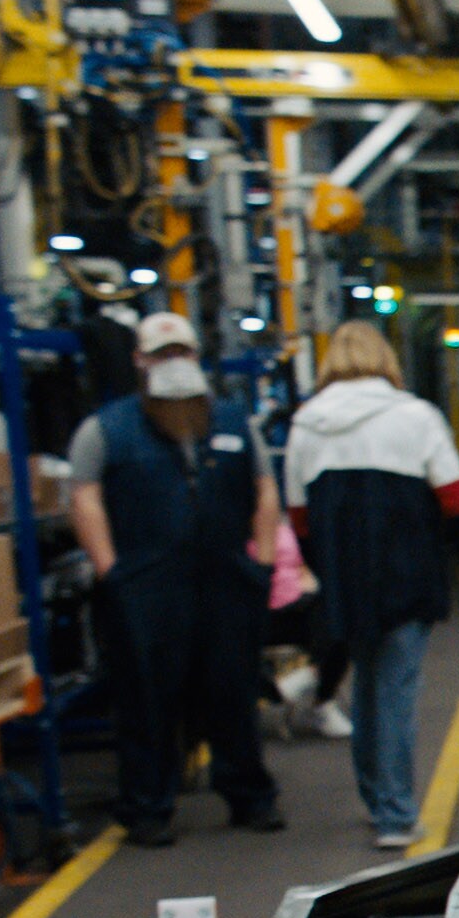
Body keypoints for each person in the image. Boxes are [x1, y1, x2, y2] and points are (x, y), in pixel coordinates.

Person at [69, 312, 284, 846]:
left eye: (182, 353)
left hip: (226, 581)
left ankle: (249, 797)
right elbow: (84, 496)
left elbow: (264, 491)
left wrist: (260, 561)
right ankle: (147, 808)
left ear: (197, 357)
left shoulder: (233, 421)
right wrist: (110, 570)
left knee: (233, 690)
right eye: (162, 355)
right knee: (147, 698)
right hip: (145, 585)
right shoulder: (107, 428)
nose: (174, 364)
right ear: (140, 362)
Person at [283, 321, 459, 848]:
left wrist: (326, 571)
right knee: (395, 692)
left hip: (346, 581)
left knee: (368, 688)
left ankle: (378, 800)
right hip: (408, 576)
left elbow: (299, 516)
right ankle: (398, 817)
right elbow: (458, 500)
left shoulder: (306, 423)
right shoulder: (415, 416)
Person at [261, 517, 351, 738]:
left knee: (339, 620)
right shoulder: (231, 531)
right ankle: (287, 689)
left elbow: (302, 567)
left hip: (296, 603)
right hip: (260, 614)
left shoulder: (282, 524)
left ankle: (315, 686)